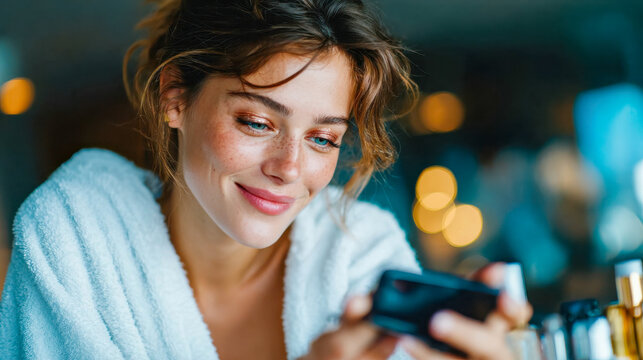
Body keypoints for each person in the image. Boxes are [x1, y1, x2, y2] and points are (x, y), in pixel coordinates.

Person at [0, 0, 531, 359]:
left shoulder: (361, 261)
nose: (289, 168)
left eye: (323, 139)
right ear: (175, 97)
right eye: (257, 122)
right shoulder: (75, 237)